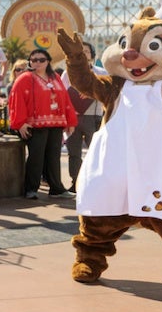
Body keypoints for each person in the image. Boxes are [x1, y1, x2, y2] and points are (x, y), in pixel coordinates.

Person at [9, 49, 78, 199]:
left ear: (48, 61)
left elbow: (65, 99)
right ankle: (30, 189)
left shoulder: (55, 78)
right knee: (36, 157)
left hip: (56, 124)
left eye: (41, 60)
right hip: (34, 125)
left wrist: (70, 121)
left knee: (54, 157)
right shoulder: (25, 78)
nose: (37, 63)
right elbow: (16, 100)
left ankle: (56, 189)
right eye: (33, 60)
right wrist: (20, 123)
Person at [63, 41, 105, 193]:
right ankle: (76, 182)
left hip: (94, 117)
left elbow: (108, 91)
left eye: (86, 51)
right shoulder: (67, 73)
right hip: (72, 117)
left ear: (92, 55)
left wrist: (91, 91)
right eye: (80, 51)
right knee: (73, 153)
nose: (83, 54)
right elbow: (63, 94)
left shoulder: (101, 72)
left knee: (96, 152)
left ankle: (97, 182)